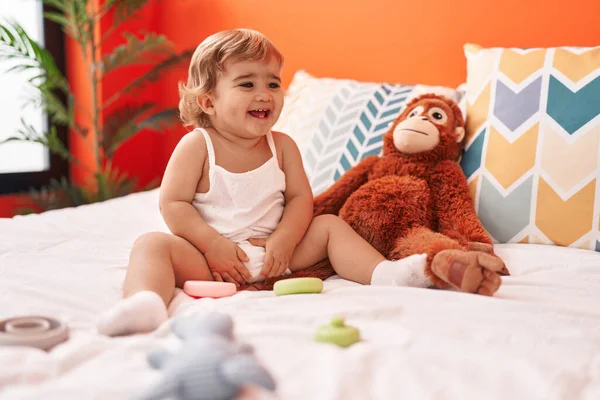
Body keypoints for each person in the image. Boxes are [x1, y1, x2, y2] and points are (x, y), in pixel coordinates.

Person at [97, 28, 429, 337]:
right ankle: (146, 303)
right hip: (211, 260)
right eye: (247, 84)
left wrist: (285, 239)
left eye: (272, 84)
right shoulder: (198, 146)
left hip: (277, 254)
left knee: (328, 225)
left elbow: (301, 199)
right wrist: (213, 246)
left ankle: (386, 274)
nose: (265, 95)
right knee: (151, 245)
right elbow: (173, 204)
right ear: (208, 102)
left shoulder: (282, 146)